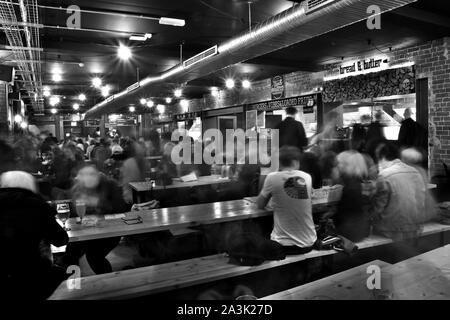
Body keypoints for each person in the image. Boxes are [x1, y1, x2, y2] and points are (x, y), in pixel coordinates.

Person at [0, 171, 68, 300]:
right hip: (31, 276)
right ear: (31, 186)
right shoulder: (37, 206)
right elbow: (61, 240)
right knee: (69, 275)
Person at [63, 164, 128, 274]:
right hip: (86, 230)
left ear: (98, 174)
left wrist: (97, 202)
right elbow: (75, 213)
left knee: (94, 255)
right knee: (71, 253)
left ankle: (108, 281)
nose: (88, 177)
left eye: (91, 174)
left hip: (110, 231)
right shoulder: (78, 188)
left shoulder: (110, 185)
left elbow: (122, 208)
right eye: (83, 174)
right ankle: (74, 283)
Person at [256, 146, 317, 254]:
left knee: (261, 231)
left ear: (279, 162)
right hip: (308, 243)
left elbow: (260, 204)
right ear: (295, 162)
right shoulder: (307, 177)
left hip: (282, 245)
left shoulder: (272, 177)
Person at [369, 142, 426, 241]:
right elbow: (421, 202)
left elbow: (379, 207)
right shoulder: (415, 172)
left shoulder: (384, 175)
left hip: (391, 229)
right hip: (414, 227)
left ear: (382, 157)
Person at [332, 151, 371, 242]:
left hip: (350, 232)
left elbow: (343, 213)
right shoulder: (357, 182)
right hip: (360, 229)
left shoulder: (350, 186)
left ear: (348, 165)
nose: (338, 166)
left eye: (340, 163)